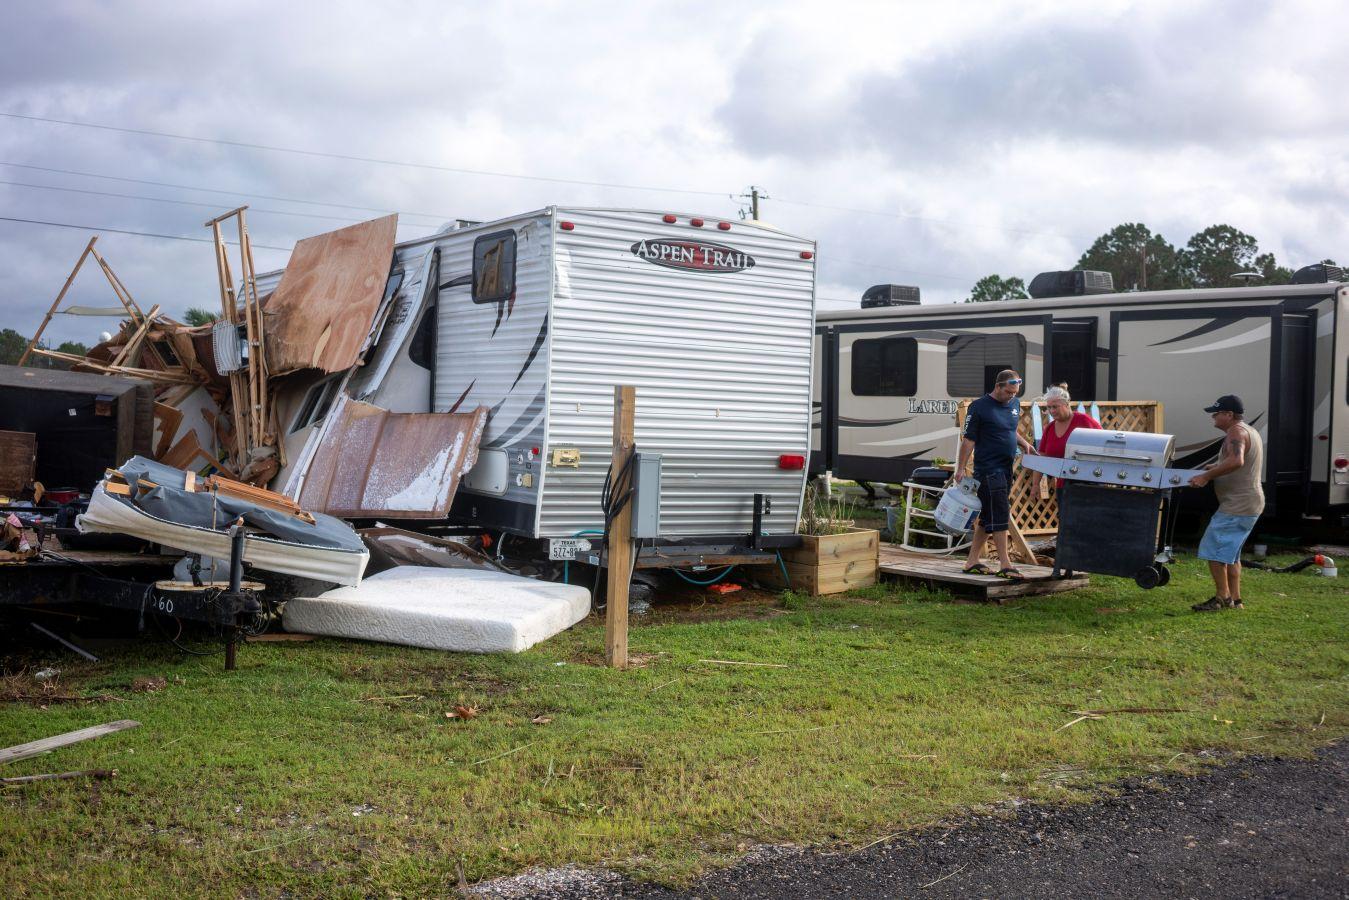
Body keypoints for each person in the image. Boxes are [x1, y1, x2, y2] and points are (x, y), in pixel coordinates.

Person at [957, 369, 1038, 579]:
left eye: (1015, 393)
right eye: (1009, 392)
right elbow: (968, 440)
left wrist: (1025, 444)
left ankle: (971, 561)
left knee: (987, 517)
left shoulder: (1014, 404)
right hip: (988, 470)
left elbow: (1010, 430)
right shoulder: (979, 407)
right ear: (998, 387)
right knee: (1000, 515)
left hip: (1006, 468)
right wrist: (959, 469)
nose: (1012, 396)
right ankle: (1005, 564)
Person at [1188, 394, 1264, 612]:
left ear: (1229, 415)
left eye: (1217, 412)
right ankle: (1236, 600)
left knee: (1213, 550)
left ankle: (1222, 598)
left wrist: (1207, 477)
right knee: (1230, 555)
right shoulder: (1249, 430)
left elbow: (1237, 460)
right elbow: (1238, 459)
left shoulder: (1236, 432)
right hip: (1248, 502)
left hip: (1237, 505)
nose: (1214, 416)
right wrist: (1216, 465)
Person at [1028, 384, 1102, 496]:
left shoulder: (1084, 421)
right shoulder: (1049, 428)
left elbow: (1104, 443)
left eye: (1055, 406)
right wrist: (1035, 485)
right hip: (1064, 486)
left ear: (1066, 404)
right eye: (1049, 407)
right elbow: (1041, 458)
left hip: (1089, 484)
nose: (1051, 411)